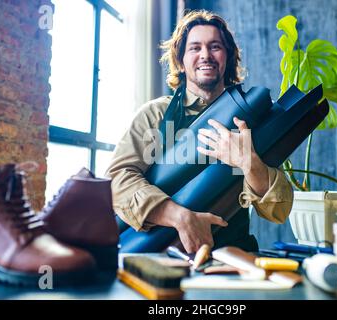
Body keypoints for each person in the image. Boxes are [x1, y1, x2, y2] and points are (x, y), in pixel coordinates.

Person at [106, 10, 293, 253]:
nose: (205, 55)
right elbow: (117, 179)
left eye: (215, 46)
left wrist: (247, 162)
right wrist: (180, 217)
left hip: (231, 259)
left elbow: (278, 210)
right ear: (181, 61)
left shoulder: (249, 123)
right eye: (195, 48)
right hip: (160, 258)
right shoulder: (154, 115)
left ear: (227, 57)